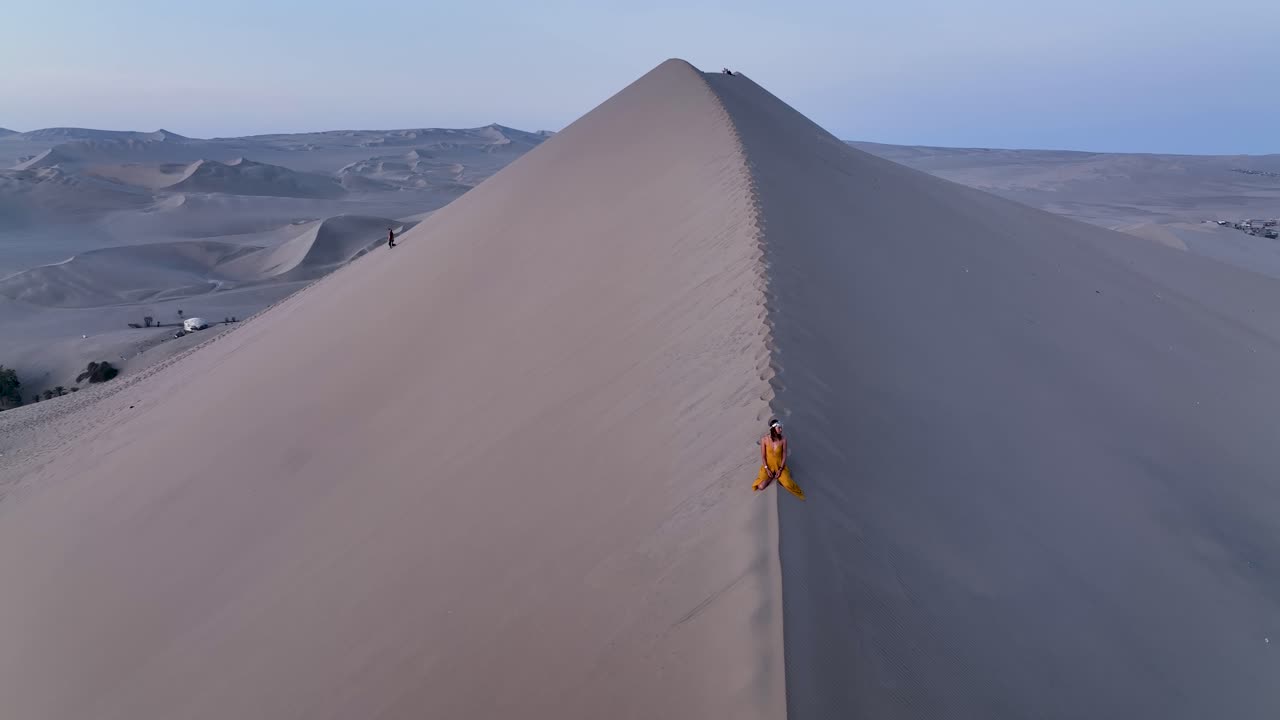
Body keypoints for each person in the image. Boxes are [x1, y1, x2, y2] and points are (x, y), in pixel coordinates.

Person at [753, 419, 804, 499]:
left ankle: (780, 477)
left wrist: (780, 469)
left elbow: (784, 455)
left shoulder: (783, 440)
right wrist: (767, 469)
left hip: (780, 466)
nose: (781, 429)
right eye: (779, 428)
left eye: (781, 428)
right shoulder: (764, 440)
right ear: (773, 428)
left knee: (788, 484)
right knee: (761, 486)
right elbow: (763, 456)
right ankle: (771, 477)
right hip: (768, 467)